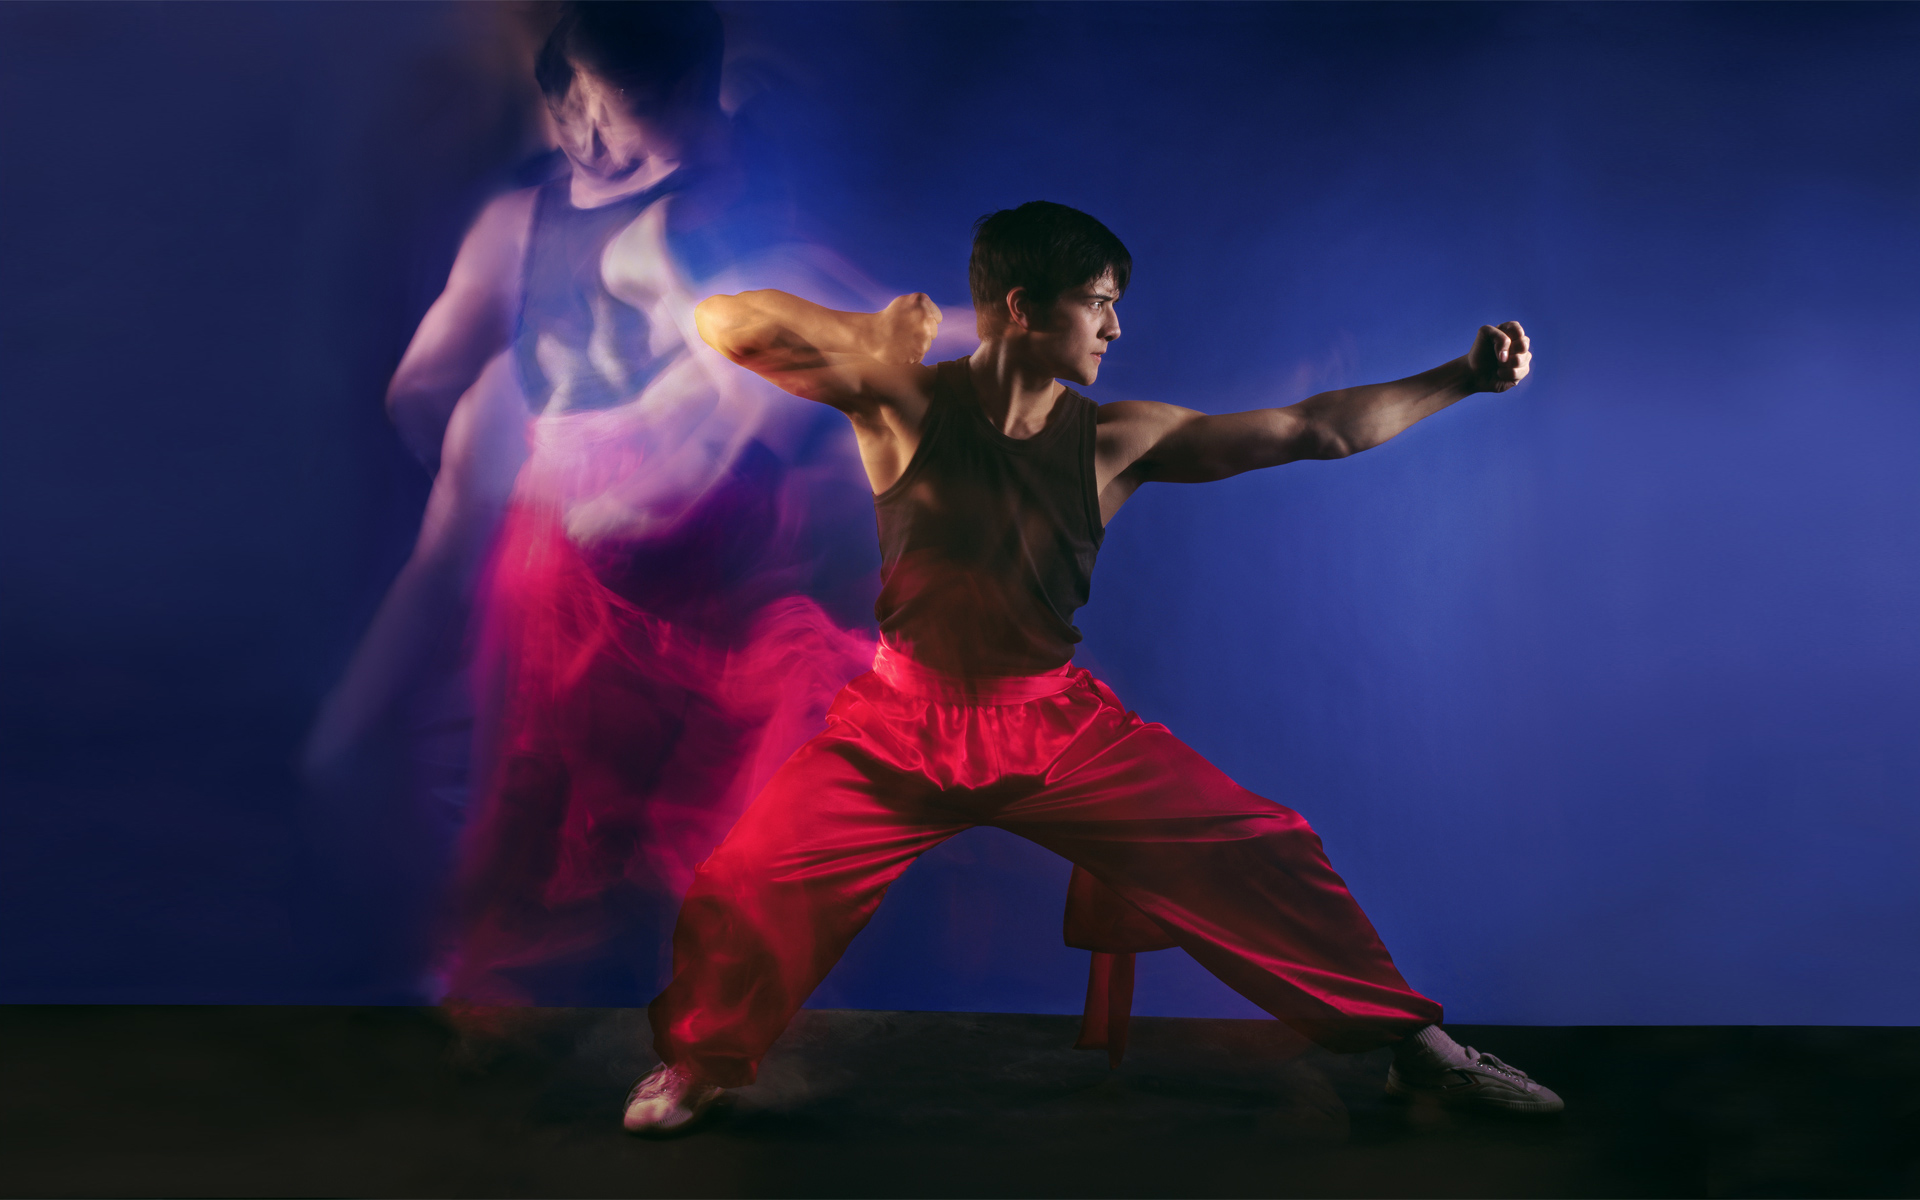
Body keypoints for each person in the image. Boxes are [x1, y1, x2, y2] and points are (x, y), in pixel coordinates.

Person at [621, 201, 1563, 1132]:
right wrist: (859, 331)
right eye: (1098, 302)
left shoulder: (1119, 440)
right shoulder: (901, 402)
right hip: (898, 726)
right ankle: (697, 1061)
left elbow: (1314, 429)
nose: (1115, 327)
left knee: (1266, 845)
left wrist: (1461, 377)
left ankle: (1418, 1050)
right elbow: (721, 320)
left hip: (1055, 732)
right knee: (753, 876)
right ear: (1024, 307)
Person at [304, 1, 871, 1010]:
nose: (598, 139)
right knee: (538, 771)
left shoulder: (701, 221)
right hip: (575, 524)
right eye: (580, 114)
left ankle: (591, 978)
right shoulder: (545, 224)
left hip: (659, 531)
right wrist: (495, 457)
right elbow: (422, 385)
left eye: (623, 114)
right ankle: (524, 968)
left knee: (617, 777)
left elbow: (785, 358)